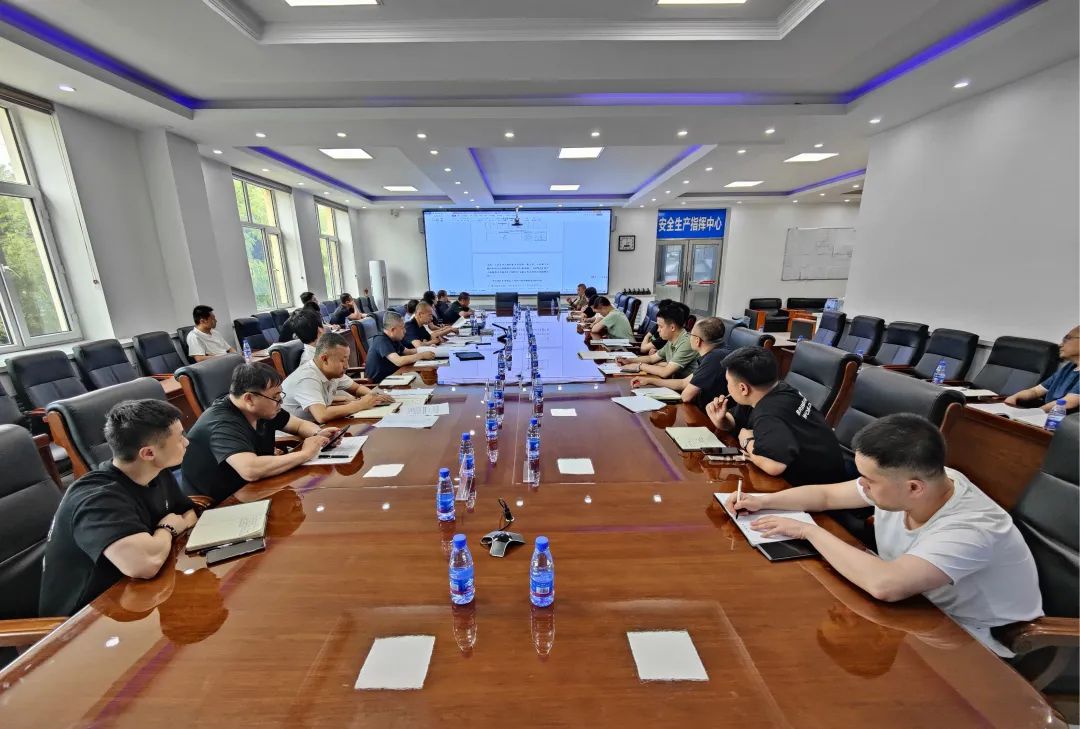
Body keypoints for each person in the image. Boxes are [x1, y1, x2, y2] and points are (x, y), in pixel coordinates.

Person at [727, 413, 1043, 656]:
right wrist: (763, 501)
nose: (861, 485)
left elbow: (885, 585)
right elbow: (826, 496)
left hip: (969, 643)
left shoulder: (973, 527)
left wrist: (808, 531)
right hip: (911, 613)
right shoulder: (917, 483)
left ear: (914, 488)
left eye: (868, 481)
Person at [39, 399, 197, 616]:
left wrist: (161, 538)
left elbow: (188, 514)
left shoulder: (156, 471)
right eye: (179, 438)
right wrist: (167, 529)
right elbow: (144, 565)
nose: (186, 442)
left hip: (138, 594)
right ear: (148, 453)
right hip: (83, 618)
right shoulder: (96, 498)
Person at [181, 363, 335, 505]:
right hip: (221, 502)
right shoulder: (221, 423)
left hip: (254, 487)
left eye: (280, 395)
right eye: (274, 397)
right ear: (249, 398)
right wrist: (305, 453)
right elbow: (250, 470)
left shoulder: (263, 409)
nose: (280, 402)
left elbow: (299, 425)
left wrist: (319, 434)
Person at [707, 345, 847, 486]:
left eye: (728, 382)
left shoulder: (770, 413)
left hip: (818, 487)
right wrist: (722, 421)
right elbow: (736, 420)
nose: (727, 387)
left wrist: (747, 441)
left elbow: (773, 466)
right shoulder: (776, 389)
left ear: (743, 388)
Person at [282, 332, 393, 422]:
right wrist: (361, 404)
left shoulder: (333, 372)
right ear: (325, 359)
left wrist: (374, 396)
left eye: (347, 359)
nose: (347, 366)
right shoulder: (307, 378)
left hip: (319, 427)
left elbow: (356, 388)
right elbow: (322, 415)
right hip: (296, 437)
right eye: (342, 360)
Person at [632, 317, 728, 410]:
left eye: (691, 334)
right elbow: (683, 383)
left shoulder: (714, 358)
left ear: (697, 340)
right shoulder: (718, 353)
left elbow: (686, 396)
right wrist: (649, 381)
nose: (689, 337)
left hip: (708, 415)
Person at [1004, 325, 1079, 411]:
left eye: (1067, 339)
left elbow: (1069, 402)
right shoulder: (1069, 367)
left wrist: (1036, 412)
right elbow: (1036, 391)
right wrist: (1014, 397)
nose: (1060, 345)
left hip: (1064, 417)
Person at [617, 300, 699, 379]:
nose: (658, 330)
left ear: (672, 327)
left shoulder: (687, 343)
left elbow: (665, 372)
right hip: (674, 383)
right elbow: (651, 358)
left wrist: (639, 366)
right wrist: (629, 361)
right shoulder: (671, 340)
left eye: (661, 326)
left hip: (684, 387)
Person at [365, 310, 435, 383]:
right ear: (393, 330)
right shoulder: (381, 340)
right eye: (402, 328)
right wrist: (422, 355)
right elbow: (398, 361)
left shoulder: (394, 338)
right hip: (381, 383)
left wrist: (426, 349)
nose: (405, 331)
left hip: (395, 375)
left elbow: (407, 351)